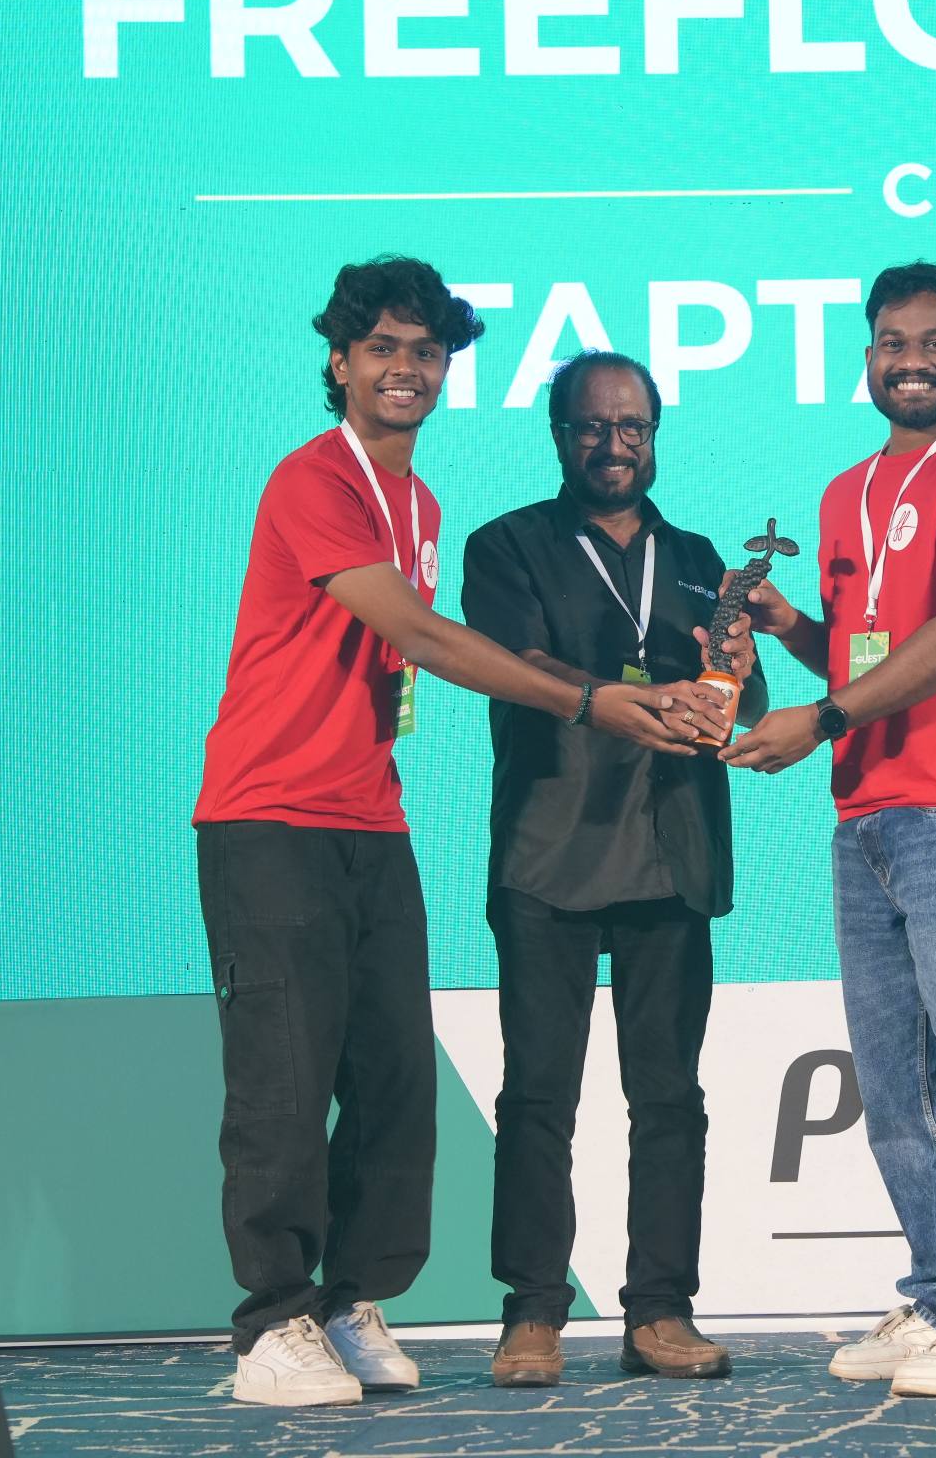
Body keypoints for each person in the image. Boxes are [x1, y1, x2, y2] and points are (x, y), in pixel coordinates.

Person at [193, 259, 693, 1408]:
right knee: (284, 1082)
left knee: (394, 1081)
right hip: (268, 818)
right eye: (382, 348)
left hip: (372, 817)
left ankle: (350, 1300)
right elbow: (418, 637)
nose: (405, 370)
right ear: (339, 362)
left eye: (425, 352)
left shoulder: (416, 504)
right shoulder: (314, 479)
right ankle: (271, 1323)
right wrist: (588, 699)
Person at [725, 262, 936, 1397]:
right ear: (867, 358)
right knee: (896, 1092)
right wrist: (791, 629)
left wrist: (818, 719)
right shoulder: (842, 493)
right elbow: (868, 652)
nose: (913, 359)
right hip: (865, 811)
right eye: (893, 342)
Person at [462, 351, 765, 1388]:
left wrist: (740, 676)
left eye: (632, 426)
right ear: (559, 433)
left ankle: (661, 1312)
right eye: (592, 426)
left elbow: (747, 706)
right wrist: (617, 696)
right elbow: (517, 665)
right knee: (538, 1096)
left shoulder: (702, 560)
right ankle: (532, 1314)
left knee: (670, 1097)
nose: (613, 444)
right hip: (549, 848)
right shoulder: (504, 546)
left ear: (655, 435)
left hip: (673, 852)